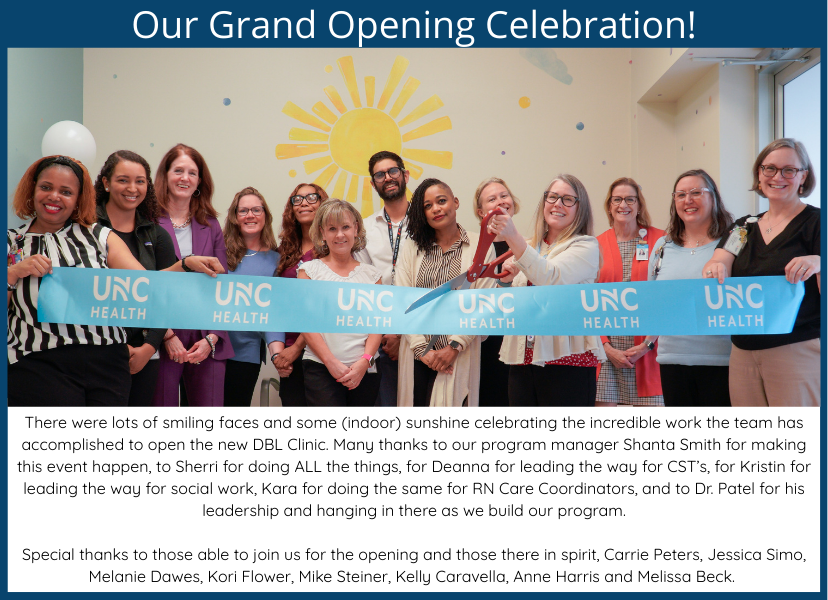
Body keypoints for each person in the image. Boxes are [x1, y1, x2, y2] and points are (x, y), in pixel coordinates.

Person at [7, 155, 223, 406]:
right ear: (32, 189)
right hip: (40, 364)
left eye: (66, 191)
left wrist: (184, 264)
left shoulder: (100, 235)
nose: (55, 196)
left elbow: (143, 285)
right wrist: (12, 274)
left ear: (78, 199)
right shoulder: (12, 242)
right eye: (46, 187)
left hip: (108, 365)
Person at [703, 138, 820, 406]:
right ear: (759, 174)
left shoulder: (817, 222)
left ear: (803, 176)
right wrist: (716, 267)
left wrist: (819, 262)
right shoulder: (744, 227)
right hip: (743, 350)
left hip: (796, 348)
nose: (778, 176)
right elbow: (717, 261)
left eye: (789, 170)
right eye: (770, 168)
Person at [491, 174, 605, 407]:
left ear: (579, 208)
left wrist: (513, 238)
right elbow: (509, 308)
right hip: (523, 361)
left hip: (567, 361)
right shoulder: (531, 246)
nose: (558, 204)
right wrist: (505, 282)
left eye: (567, 199)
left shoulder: (585, 245)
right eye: (552, 197)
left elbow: (551, 277)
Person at [396, 178, 495, 407]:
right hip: (416, 355)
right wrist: (423, 350)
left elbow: (483, 304)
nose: (436, 209)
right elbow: (402, 300)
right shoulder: (412, 247)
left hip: (459, 354)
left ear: (456, 202)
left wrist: (453, 347)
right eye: (427, 206)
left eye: (441, 201)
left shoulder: (481, 245)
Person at [93, 150, 178, 406]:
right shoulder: (84, 228)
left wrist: (149, 347)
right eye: (123, 180)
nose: (132, 188)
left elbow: (167, 296)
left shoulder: (158, 235)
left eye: (140, 181)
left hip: (144, 354)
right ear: (106, 183)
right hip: (95, 350)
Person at [153, 143, 233, 407]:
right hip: (161, 331)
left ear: (200, 181)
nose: (185, 178)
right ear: (165, 176)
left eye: (192, 173)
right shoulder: (148, 221)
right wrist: (165, 334)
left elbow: (224, 285)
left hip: (205, 332)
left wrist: (212, 338)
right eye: (178, 170)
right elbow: (143, 282)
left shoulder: (210, 224)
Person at [648, 170, 734, 406]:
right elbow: (654, 300)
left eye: (696, 193)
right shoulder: (662, 246)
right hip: (672, 359)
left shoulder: (733, 243)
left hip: (721, 360)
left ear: (713, 197)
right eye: (680, 194)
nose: (688, 200)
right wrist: (647, 344)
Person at [297, 200, 383, 406]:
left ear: (356, 228)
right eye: (332, 229)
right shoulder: (308, 271)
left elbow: (378, 325)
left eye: (345, 227)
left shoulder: (373, 275)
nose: (340, 235)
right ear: (322, 233)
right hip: (320, 368)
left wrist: (365, 361)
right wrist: (331, 363)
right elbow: (306, 323)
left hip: (365, 370)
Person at [595, 177, 664, 407]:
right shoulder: (594, 245)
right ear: (609, 205)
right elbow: (588, 299)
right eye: (617, 199)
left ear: (639, 205)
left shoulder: (661, 241)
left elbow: (666, 297)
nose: (623, 205)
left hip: (648, 351)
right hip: (605, 351)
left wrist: (647, 345)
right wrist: (605, 347)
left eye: (629, 199)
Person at [356, 150, 411, 407]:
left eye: (392, 171)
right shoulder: (364, 229)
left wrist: (403, 334)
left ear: (405, 175)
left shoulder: (427, 224)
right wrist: (388, 333)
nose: (387, 177)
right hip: (380, 337)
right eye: (379, 174)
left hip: (419, 334)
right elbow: (365, 286)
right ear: (372, 183)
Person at [222, 186, 285, 407]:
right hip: (210, 350)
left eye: (256, 210)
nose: (250, 215)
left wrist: (277, 354)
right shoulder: (217, 252)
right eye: (243, 211)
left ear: (265, 215)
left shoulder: (277, 261)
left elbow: (274, 313)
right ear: (234, 217)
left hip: (246, 355)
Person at [273, 183, 329, 407]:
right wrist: (279, 354)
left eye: (311, 197)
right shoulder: (283, 251)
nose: (304, 202)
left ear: (323, 204)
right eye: (297, 199)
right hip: (287, 352)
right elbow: (275, 305)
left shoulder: (334, 249)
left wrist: (297, 348)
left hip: (323, 350)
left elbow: (327, 306)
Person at [472, 177, 521, 407]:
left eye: (504, 195)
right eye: (492, 199)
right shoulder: (474, 251)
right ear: (482, 212)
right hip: (485, 346)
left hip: (519, 344)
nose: (500, 201)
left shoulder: (529, 246)